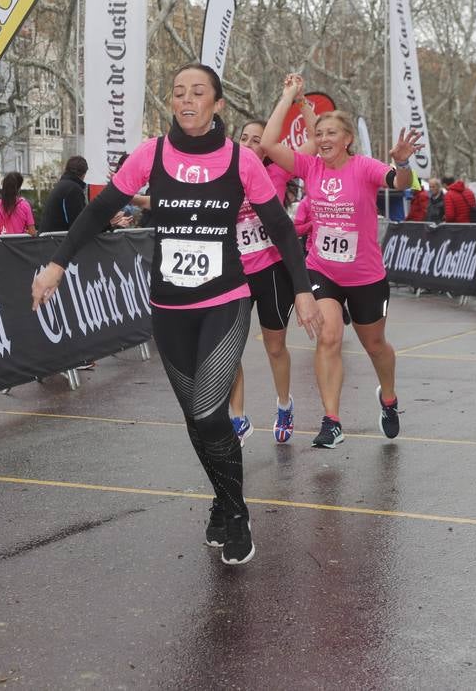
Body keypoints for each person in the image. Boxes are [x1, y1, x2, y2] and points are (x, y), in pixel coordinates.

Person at [31, 63, 321, 566]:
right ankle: (221, 499)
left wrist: (302, 291)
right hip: (169, 307)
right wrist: (57, 264)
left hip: (225, 302)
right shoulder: (152, 154)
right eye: (179, 92)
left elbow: (279, 226)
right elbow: (98, 212)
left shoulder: (241, 160)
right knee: (195, 419)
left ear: (218, 105)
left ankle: (236, 513)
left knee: (211, 413)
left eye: (198, 92)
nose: (187, 100)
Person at [261, 82, 424, 450]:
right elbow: (270, 146)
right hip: (322, 269)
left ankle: (389, 398)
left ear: (348, 138)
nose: (322, 139)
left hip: (366, 276)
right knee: (329, 337)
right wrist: (287, 97)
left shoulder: (364, 167)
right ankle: (331, 420)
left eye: (331, 133)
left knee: (376, 345)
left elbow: (398, 183)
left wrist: (400, 161)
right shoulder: (309, 166)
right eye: (318, 133)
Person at [226, 75, 316, 445]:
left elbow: (316, 141)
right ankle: (238, 417)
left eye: (255, 140)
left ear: (265, 148)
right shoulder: (223, 173)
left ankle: (283, 404)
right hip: (234, 274)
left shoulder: (277, 170)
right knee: (228, 348)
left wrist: (302, 100)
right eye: (243, 138)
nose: (248, 144)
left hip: (271, 271)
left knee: (275, 346)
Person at [39, 156, 90, 234]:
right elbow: (78, 224)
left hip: (48, 240)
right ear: (84, 173)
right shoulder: (73, 189)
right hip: (57, 241)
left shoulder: (61, 185)